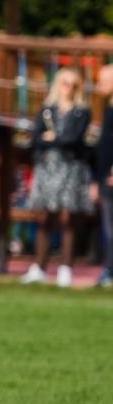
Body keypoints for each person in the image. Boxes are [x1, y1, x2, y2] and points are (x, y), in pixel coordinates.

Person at [22, 67, 93, 287]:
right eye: (64, 83)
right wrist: (52, 139)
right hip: (47, 168)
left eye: (73, 85)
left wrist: (53, 137)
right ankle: (39, 267)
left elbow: (73, 139)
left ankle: (65, 268)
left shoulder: (82, 112)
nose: (68, 88)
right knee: (43, 218)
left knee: (67, 218)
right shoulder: (46, 110)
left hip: (70, 169)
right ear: (57, 85)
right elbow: (35, 139)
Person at [94, 64, 113, 288]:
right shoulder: (108, 107)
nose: (99, 85)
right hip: (105, 177)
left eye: (104, 81)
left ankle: (110, 270)